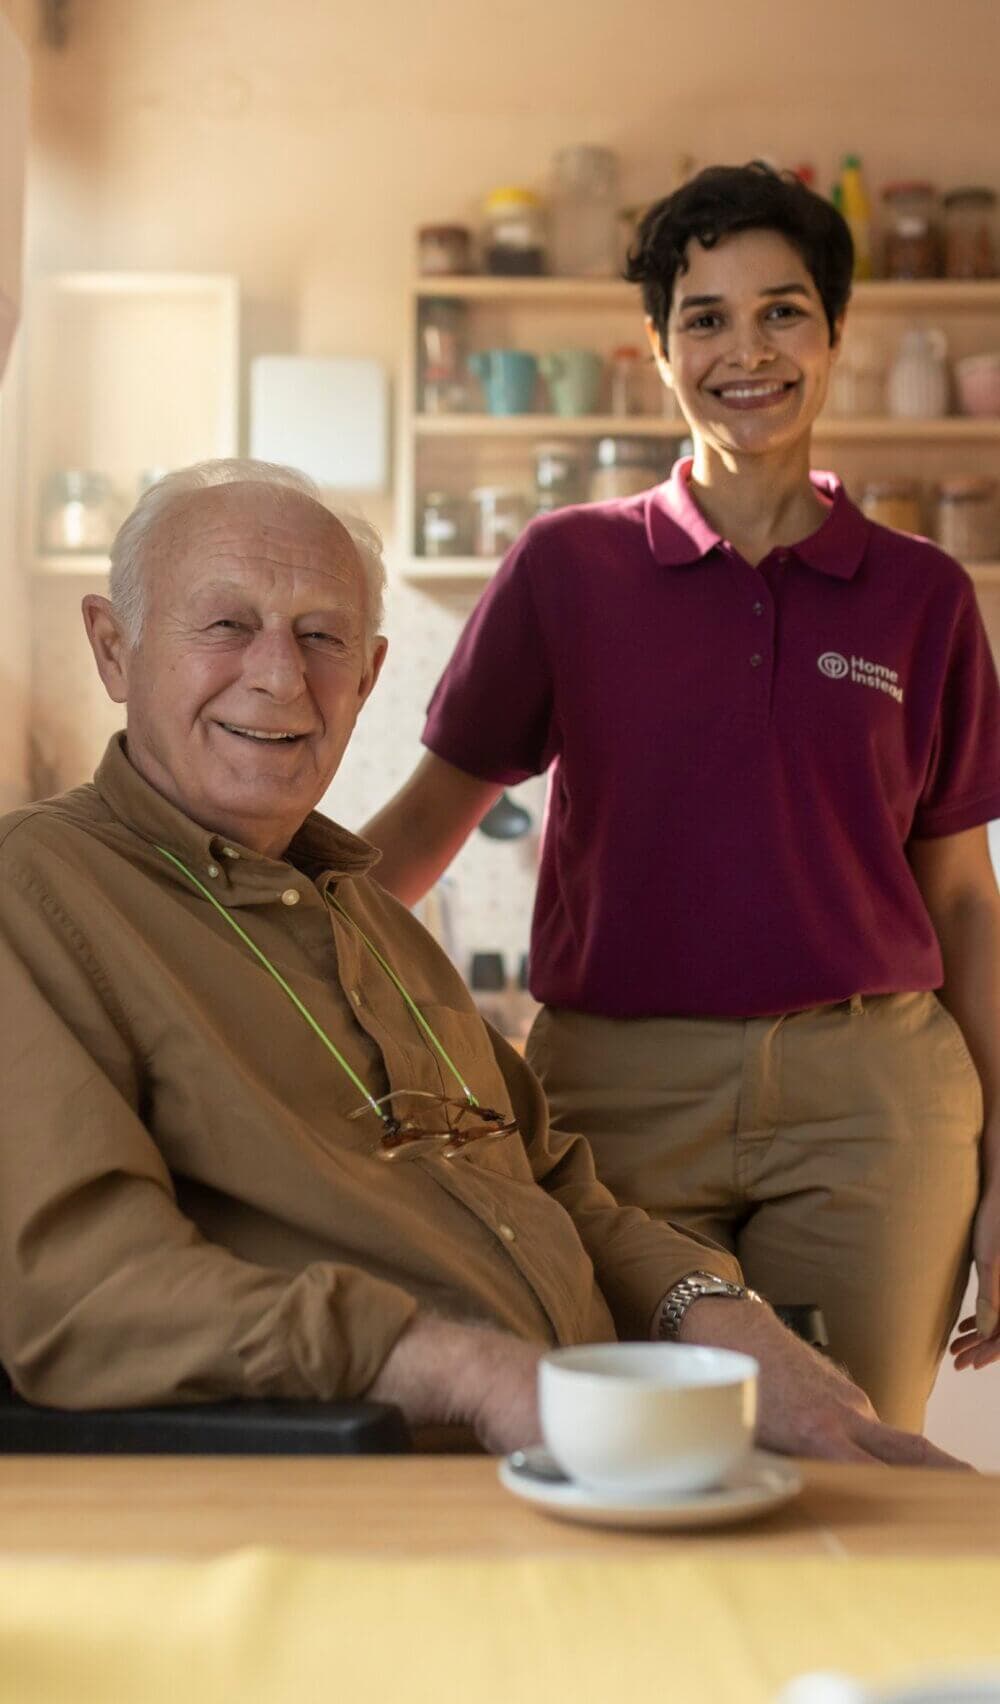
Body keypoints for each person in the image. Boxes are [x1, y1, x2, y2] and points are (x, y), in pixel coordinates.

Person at [0, 456, 962, 1467]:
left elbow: (555, 1186)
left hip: (598, 1456)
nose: (281, 676)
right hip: (398, 1492)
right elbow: (80, 1290)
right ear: (113, 648)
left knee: (908, 1532)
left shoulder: (372, 916)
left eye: (321, 637)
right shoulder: (40, 895)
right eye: (227, 625)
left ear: (367, 677)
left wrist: (730, 1325)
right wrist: (465, 1373)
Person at [364, 164, 1000, 1433]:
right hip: (615, 1105)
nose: (744, 349)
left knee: (857, 1461)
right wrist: (236, 934)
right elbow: (420, 834)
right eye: (704, 317)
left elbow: (964, 902)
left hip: (872, 1101)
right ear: (657, 350)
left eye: (780, 312)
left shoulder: (922, 597)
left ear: (831, 335)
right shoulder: (565, 567)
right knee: (633, 1447)